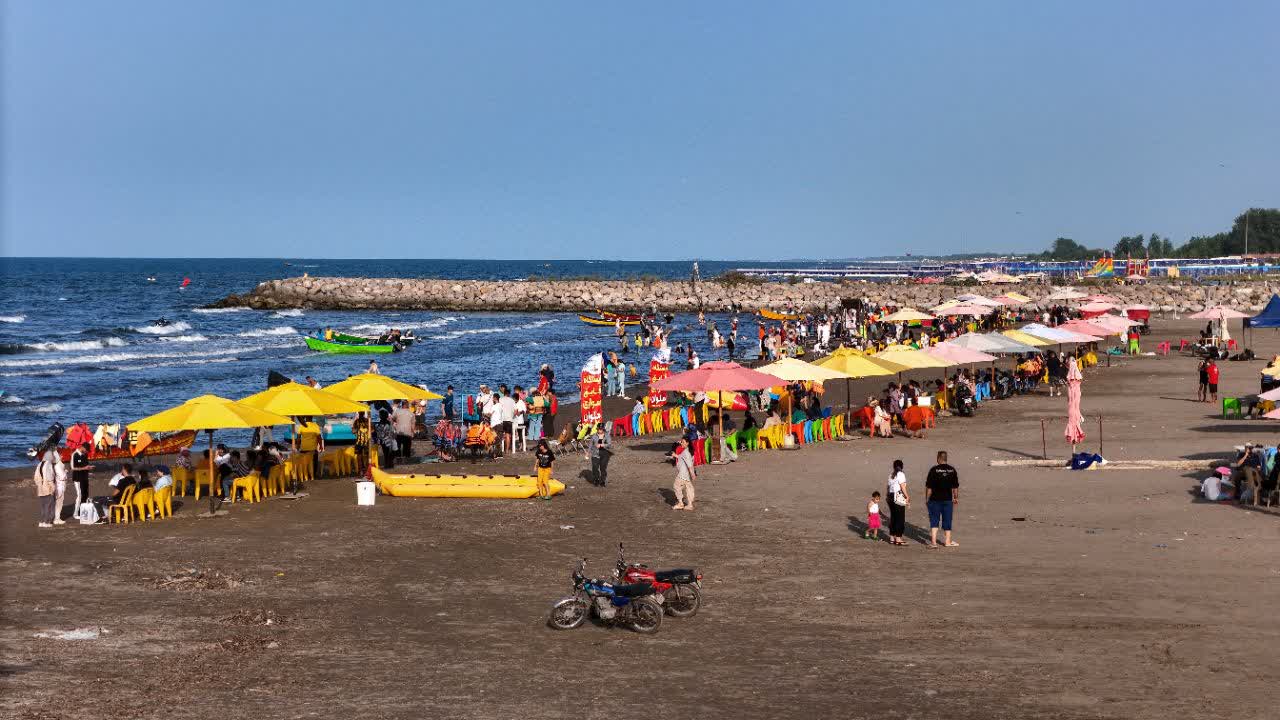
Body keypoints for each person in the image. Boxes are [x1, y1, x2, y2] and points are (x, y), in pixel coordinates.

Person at [924, 451, 960, 548]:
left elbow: (929, 487)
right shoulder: (952, 470)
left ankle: (934, 543)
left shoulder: (933, 470)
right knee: (947, 520)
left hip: (935, 499)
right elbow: (955, 487)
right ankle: (947, 541)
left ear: (939, 458)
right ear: (946, 458)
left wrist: (927, 499)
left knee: (934, 520)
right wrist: (956, 497)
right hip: (947, 499)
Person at [886, 459, 909, 546]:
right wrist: (907, 496)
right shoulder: (901, 474)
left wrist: (887, 497)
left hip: (890, 496)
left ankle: (892, 537)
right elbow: (902, 487)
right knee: (900, 517)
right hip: (898, 496)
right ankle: (898, 538)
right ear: (902, 466)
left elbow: (888, 488)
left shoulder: (891, 475)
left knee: (893, 517)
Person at [34, 447, 58, 527]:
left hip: (40, 488)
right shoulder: (48, 464)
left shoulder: (39, 464)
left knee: (43, 506)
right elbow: (50, 477)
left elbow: (36, 477)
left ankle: (41, 521)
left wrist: (39, 484)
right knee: (49, 505)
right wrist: (53, 487)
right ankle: (47, 522)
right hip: (48, 488)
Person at [295, 416, 324, 483]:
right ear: (312, 418)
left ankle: (305, 475)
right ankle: (313, 475)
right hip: (312, 449)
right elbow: (319, 437)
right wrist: (321, 446)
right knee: (314, 462)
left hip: (303, 448)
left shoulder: (302, 426)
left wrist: (297, 447)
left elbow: (298, 438)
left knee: (304, 462)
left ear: (305, 418)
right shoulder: (315, 425)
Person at [672, 437, 696, 511]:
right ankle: (690, 504)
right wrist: (675, 455)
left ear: (687, 443)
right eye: (681, 442)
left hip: (683, 474)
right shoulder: (687, 451)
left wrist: (693, 474)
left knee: (676, 486)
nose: (681, 443)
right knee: (689, 488)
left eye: (683, 442)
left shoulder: (686, 452)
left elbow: (689, 465)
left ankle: (680, 503)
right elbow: (682, 457)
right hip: (686, 474)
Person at [70, 442, 92, 510]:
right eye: (86, 449)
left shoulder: (85, 455)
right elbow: (72, 468)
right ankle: (76, 513)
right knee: (80, 495)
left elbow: (85, 465)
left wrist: (89, 467)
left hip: (85, 477)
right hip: (78, 478)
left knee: (85, 494)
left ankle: (83, 511)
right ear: (82, 447)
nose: (87, 451)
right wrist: (84, 468)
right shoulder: (75, 454)